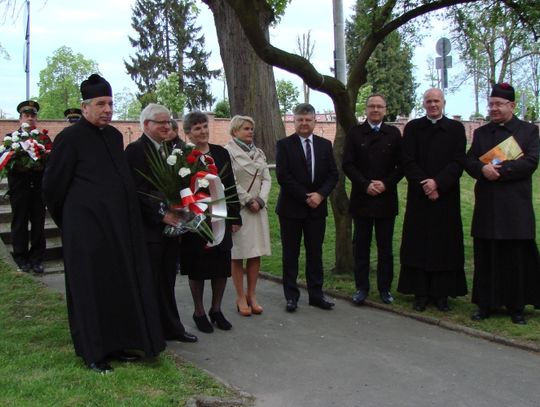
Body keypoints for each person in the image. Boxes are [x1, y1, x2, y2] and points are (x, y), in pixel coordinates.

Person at [42, 74, 165, 374]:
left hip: (117, 230)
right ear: (85, 107)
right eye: (100, 104)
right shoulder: (69, 139)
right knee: (89, 290)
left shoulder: (113, 137)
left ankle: (119, 343)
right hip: (84, 233)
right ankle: (93, 352)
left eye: (110, 103)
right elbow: (52, 188)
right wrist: (72, 222)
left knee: (116, 285)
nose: (107, 109)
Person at [465, 82, 540, 325]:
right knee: (487, 257)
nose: (494, 109)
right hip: (488, 205)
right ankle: (486, 304)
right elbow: (469, 160)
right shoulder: (482, 133)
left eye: (498, 104)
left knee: (514, 259)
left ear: (512, 105)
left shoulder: (528, 131)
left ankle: (516, 307)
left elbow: (531, 162)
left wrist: (500, 170)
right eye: (491, 104)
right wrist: (481, 169)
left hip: (514, 206)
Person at [125, 103, 197, 343]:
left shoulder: (171, 149)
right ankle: (152, 330)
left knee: (168, 279)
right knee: (151, 280)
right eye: (161, 122)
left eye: (169, 122)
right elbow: (138, 191)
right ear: (147, 125)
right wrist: (162, 213)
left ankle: (172, 327)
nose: (167, 126)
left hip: (172, 226)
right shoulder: (136, 151)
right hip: (150, 228)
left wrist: (183, 206)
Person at [398, 88, 468, 312]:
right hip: (420, 196)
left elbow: (458, 161)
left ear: (444, 102)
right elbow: (407, 161)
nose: (433, 105)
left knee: (444, 244)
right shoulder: (412, 128)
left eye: (436, 101)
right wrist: (426, 185)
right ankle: (420, 292)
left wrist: (438, 183)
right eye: (428, 101)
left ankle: (442, 293)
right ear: (424, 104)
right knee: (418, 243)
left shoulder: (456, 129)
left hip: (445, 196)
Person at [179, 111, 241, 333]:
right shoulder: (182, 156)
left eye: (204, 126)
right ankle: (199, 312)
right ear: (187, 133)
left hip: (221, 218)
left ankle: (216, 310)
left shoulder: (221, 153)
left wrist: (235, 217)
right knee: (198, 267)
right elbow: (179, 188)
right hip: (195, 221)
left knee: (220, 267)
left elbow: (231, 186)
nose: (203, 131)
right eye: (197, 128)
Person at [276, 103, 338, 312]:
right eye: (300, 120)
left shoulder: (324, 145)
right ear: (294, 121)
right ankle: (291, 296)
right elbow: (283, 176)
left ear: (314, 121)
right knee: (290, 253)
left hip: (317, 209)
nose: (304, 123)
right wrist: (305, 197)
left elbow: (333, 174)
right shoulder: (284, 145)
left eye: (308, 120)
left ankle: (316, 295)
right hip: (291, 209)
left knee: (315, 252)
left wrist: (320, 195)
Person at [343, 94, 403, 306]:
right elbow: (348, 164)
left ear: (385, 110)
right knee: (361, 246)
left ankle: (385, 289)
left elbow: (401, 166)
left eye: (379, 106)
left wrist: (386, 184)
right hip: (363, 198)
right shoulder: (355, 133)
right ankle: (361, 288)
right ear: (366, 109)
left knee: (385, 248)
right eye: (371, 106)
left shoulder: (394, 133)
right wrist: (365, 184)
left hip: (386, 199)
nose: (375, 110)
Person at [224, 115, 271, 316]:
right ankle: (240, 296)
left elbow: (267, 178)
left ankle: (252, 295)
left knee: (255, 252)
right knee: (238, 255)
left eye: (251, 128)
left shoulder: (259, 153)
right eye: (246, 128)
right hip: (240, 209)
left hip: (258, 209)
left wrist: (260, 200)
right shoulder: (228, 152)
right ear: (235, 131)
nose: (250, 131)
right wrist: (247, 200)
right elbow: (230, 181)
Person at [6, 100, 47, 273]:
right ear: (20, 118)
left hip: (38, 189)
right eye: (26, 115)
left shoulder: (44, 139)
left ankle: (37, 258)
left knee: (38, 223)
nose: (30, 118)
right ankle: (21, 257)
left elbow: (52, 160)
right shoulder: (11, 138)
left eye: (33, 115)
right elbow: (7, 163)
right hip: (20, 188)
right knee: (19, 222)